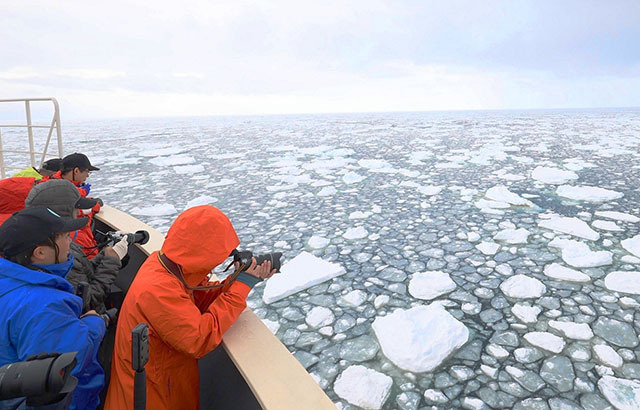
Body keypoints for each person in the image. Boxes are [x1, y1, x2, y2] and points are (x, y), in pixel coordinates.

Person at [104, 206, 276, 410]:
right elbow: (199, 338)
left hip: (161, 385)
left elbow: (194, 298)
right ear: (201, 252)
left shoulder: (164, 265)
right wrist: (241, 286)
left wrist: (237, 281)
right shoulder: (157, 290)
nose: (215, 265)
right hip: (150, 398)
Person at [0, 207, 108, 410]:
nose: (71, 241)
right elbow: (69, 363)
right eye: (65, 236)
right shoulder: (45, 306)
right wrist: (95, 323)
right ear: (40, 253)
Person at [24, 179, 129, 313]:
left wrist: (104, 255)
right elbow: (87, 302)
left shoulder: (55, 241)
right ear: (62, 213)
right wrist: (111, 263)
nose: (79, 213)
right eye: (76, 209)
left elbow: (82, 271)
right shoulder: (55, 251)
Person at [46, 153, 102, 258]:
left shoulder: (51, 184)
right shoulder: (64, 192)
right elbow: (78, 209)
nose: (87, 176)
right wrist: (94, 205)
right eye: (87, 172)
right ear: (76, 171)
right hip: (77, 239)